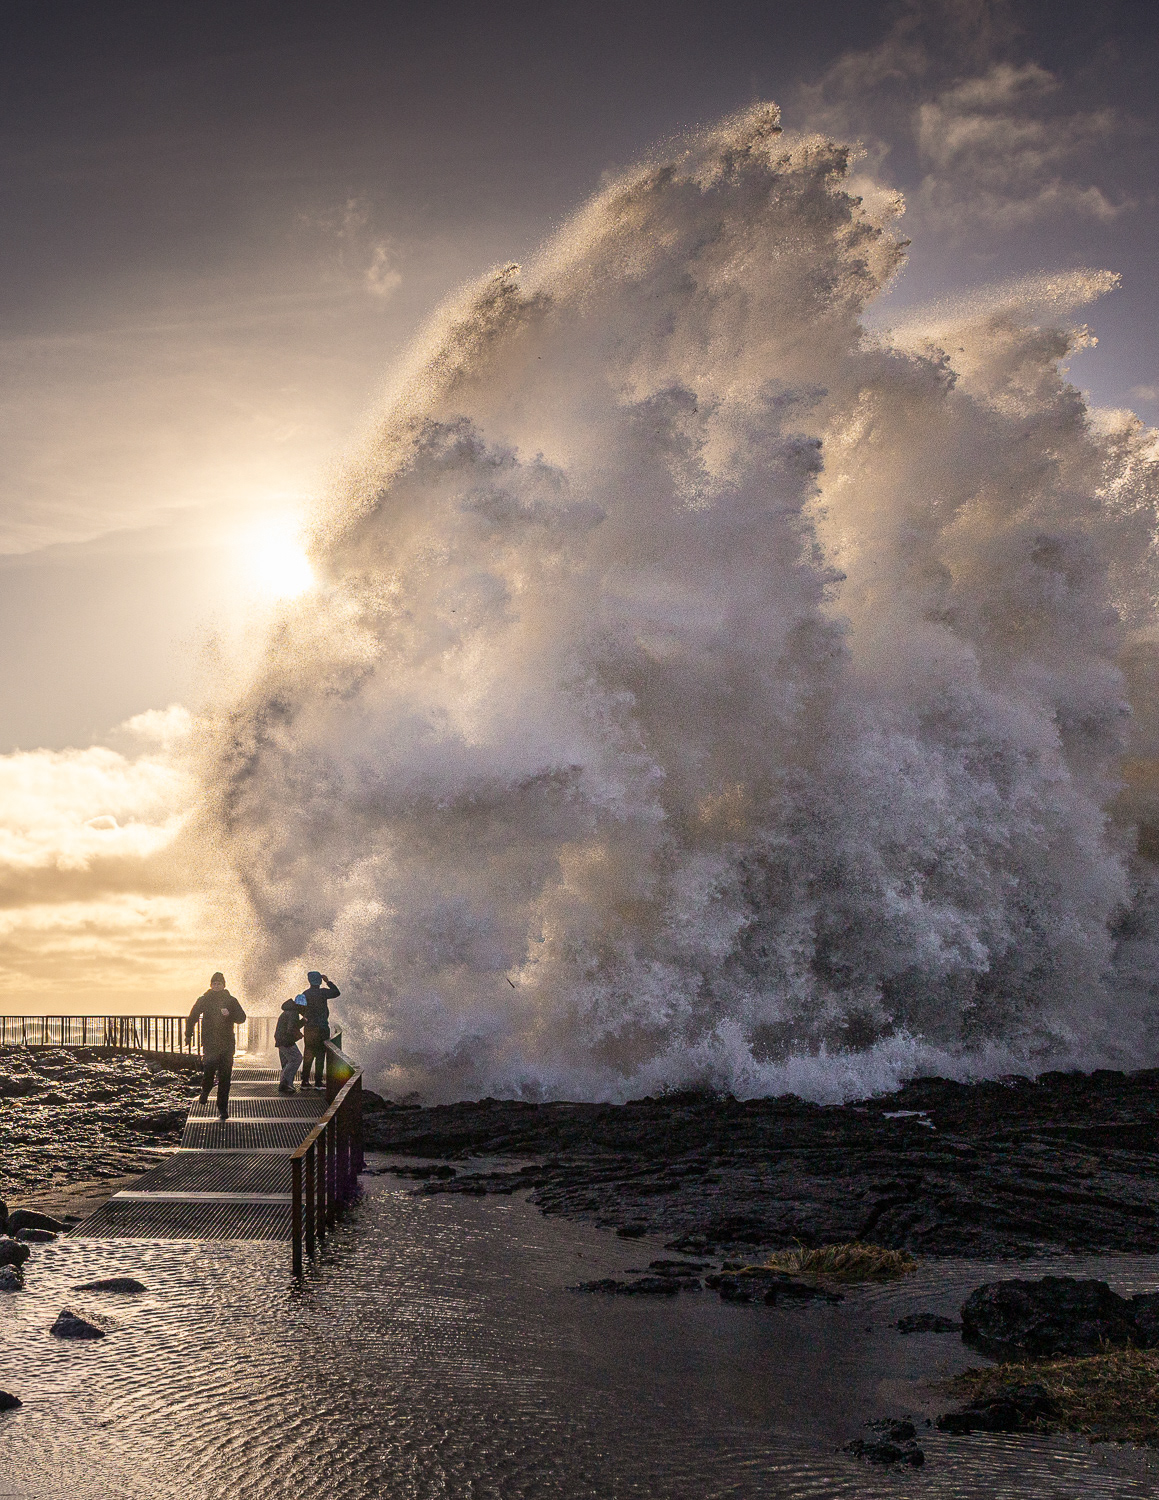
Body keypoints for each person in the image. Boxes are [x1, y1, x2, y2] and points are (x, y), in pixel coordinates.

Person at [186, 972, 246, 1121]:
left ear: (224, 985)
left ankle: (222, 1108)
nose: (216, 985)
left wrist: (229, 1015)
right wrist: (188, 1034)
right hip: (210, 1042)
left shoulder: (231, 1001)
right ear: (211, 985)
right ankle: (205, 1090)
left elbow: (242, 1018)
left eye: (219, 983)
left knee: (225, 1077)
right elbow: (192, 1016)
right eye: (214, 983)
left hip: (226, 1043)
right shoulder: (204, 1000)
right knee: (209, 1070)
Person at [298, 970, 339, 1089]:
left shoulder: (305, 993)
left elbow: (301, 1008)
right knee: (321, 1054)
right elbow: (336, 992)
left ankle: (305, 1081)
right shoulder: (323, 993)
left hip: (309, 1028)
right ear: (320, 980)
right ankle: (318, 1081)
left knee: (308, 1054)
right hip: (322, 1028)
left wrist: (307, 1017)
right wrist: (328, 981)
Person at [274, 995, 306, 1094]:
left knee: (287, 1062)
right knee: (296, 1058)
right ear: (300, 1005)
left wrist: (302, 1022)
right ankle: (286, 1084)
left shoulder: (289, 1011)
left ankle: (284, 1084)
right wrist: (298, 1034)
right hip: (286, 1041)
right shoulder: (294, 1013)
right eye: (304, 1007)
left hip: (281, 1040)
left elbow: (292, 1025)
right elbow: (291, 1028)